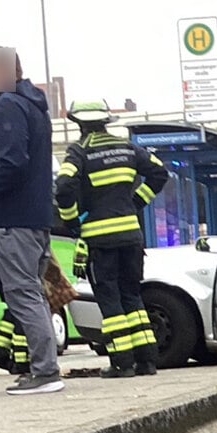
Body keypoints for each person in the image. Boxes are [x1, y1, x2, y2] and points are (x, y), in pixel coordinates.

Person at [0, 47, 63, 395]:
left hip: (14, 219)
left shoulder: (10, 106)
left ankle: (45, 372)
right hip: (35, 219)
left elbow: (12, 161)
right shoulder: (33, 108)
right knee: (32, 294)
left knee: (22, 294)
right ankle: (45, 368)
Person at [55, 99, 168, 377]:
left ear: (79, 124)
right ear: (106, 122)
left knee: (110, 300)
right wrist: (135, 202)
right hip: (131, 236)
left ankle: (122, 363)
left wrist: (71, 221)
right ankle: (147, 361)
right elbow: (159, 172)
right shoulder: (128, 148)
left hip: (100, 240)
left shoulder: (79, 152)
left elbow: (64, 187)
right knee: (132, 296)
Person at [0, 227, 32, 375]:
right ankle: (20, 361)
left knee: (15, 309)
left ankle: (1, 349)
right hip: (9, 260)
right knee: (22, 308)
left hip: (4, 260)